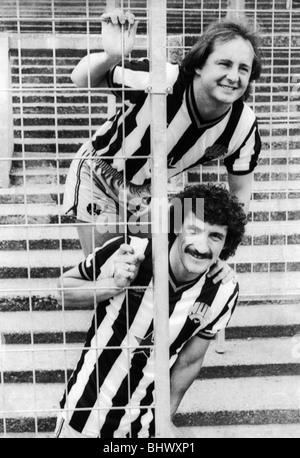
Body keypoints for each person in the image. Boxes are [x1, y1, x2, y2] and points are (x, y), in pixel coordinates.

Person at [63, 9, 262, 257]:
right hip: (100, 177)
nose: (234, 77)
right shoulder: (161, 80)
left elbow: (240, 193)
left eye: (244, 69)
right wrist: (111, 56)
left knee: (160, 275)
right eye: (224, 63)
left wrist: (223, 253)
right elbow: (80, 78)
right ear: (200, 64)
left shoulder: (243, 124)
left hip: (149, 192)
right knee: (107, 270)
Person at [55, 183, 247, 438]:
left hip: (143, 430)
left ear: (226, 244)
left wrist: (164, 423)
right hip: (81, 419)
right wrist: (111, 285)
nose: (202, 246)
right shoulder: (129, 251)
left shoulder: (223, 291)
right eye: (194, 229)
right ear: (177, 227)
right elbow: (62, 289)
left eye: (215, 236)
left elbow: (189, 362)